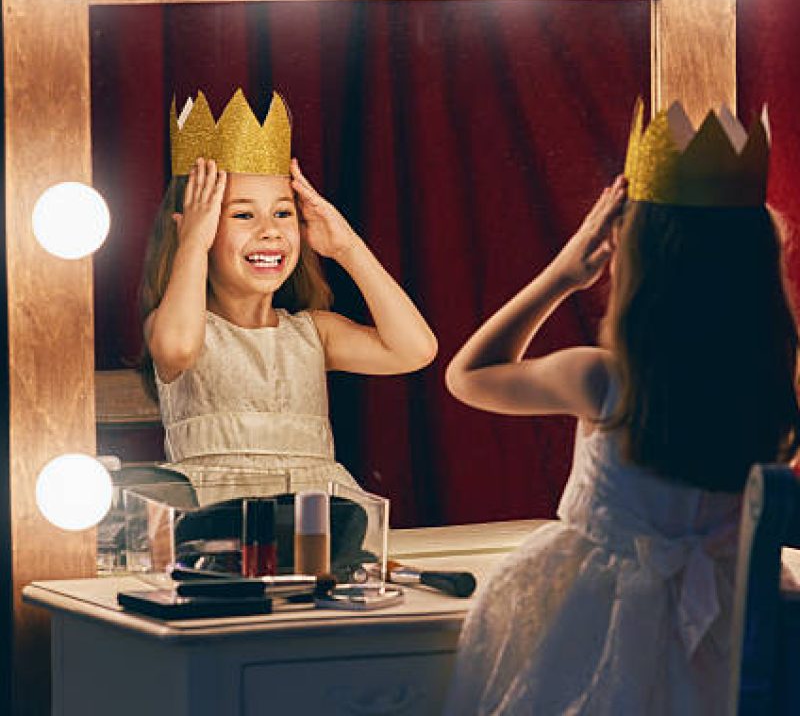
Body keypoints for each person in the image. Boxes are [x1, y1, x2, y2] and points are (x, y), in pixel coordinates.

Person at [443, 101, 800, 715]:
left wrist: (562, 274)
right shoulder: (774, 388)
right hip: (731, 631)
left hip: (598, 632)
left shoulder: (603, 380)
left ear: (638, 263)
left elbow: (467, 375)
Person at [139, 88, 437, 501]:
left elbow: (416, 349)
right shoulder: (179, 326)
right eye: (243, 214)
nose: (270, 230)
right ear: (192, 228)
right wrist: (191, 243)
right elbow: (176, 345)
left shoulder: (314, 333)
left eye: (283, 213)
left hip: (316, 526)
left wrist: (347, 247)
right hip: (218, 526)